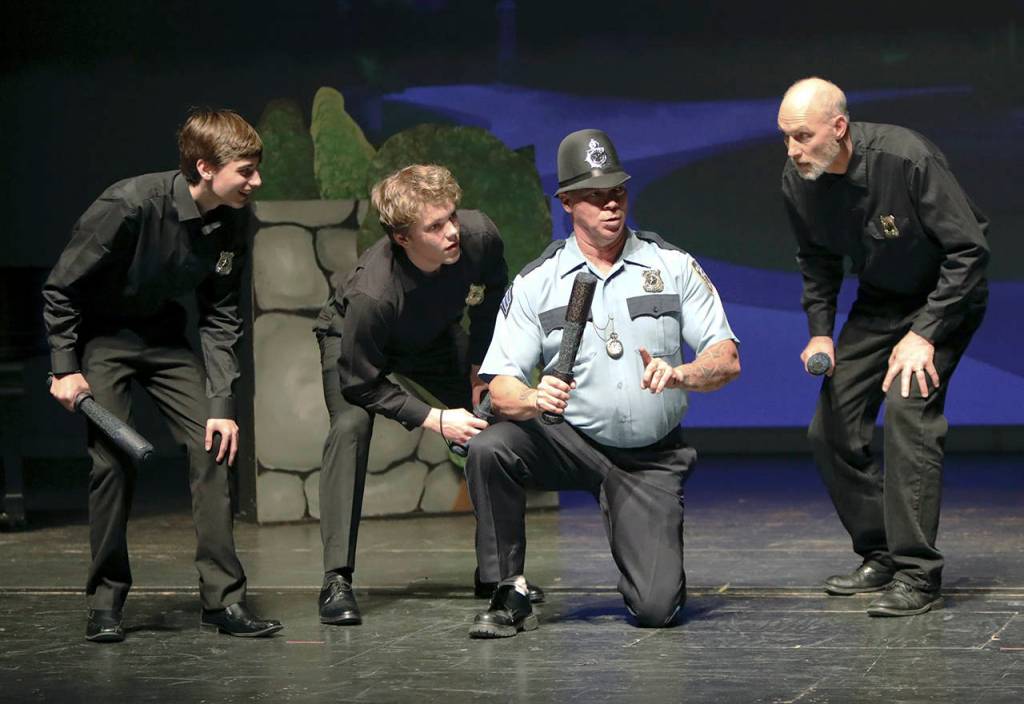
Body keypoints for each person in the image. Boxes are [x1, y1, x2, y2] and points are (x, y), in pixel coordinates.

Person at [464, 129, 741, 638]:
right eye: (595, 195)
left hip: (647, 456)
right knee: (491, 447)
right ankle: (509, 588)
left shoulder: (671, 265)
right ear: (568, 202)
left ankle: (643, 549)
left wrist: (681, 373)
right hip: (568, 441)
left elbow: (725, 359)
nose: (610, 204)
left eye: (617, 192)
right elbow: (497, 386)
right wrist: (532, 395)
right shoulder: (537, 281)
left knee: (656, 609)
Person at [44, 109, 282, 642]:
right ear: (204, 167)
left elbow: (221, 315)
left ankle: (223, 602)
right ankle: (105, 603)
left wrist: (222, 404)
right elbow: (61, 289)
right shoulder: (129, 205)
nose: (256, 181)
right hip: (104, 341)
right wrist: (65, 366)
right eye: (246, 170)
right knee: (112, 463)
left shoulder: (234, 218)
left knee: (215, 448)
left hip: (167, 342)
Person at [778, 77, 989, 616]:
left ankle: (918, 575)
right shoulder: (800, 178)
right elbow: (818, 259)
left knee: (907, 410)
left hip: (946, 296)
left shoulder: (906, 158)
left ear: (839, 128)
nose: (793, 151)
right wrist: (820, 328)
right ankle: (882, 552)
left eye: (803, 136)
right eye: (786, 138)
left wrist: (924, 334)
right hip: (880, 301)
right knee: (830, 427)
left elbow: (968, 252)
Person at [313, 164, 541, 626]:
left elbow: (494, 295)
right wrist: (436, 419)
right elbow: (361, 383)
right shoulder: (372, 293)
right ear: (403, 237)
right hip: (358, 347)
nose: (452, 231)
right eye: (436, 226)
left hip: (434, 338)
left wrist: (482, 369)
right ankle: (336, 578)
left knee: (494, 412)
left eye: (452, 216)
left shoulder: (479, 236)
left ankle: (496, 574)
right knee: (351, 425)